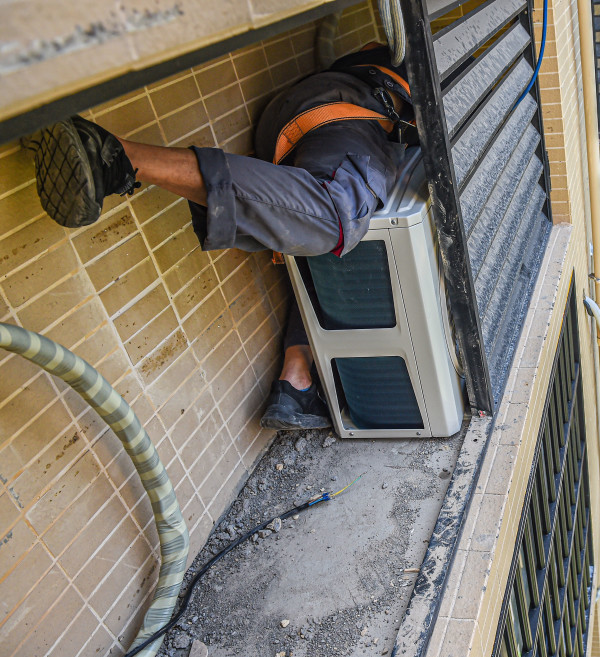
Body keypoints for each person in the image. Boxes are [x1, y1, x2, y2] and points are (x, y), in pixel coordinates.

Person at [26, 43, 414, 431]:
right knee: (334, 216)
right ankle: (116, 157)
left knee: (332, 233)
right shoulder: (415, 49)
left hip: (321, 111)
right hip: (352, 108)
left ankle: (297, 381)